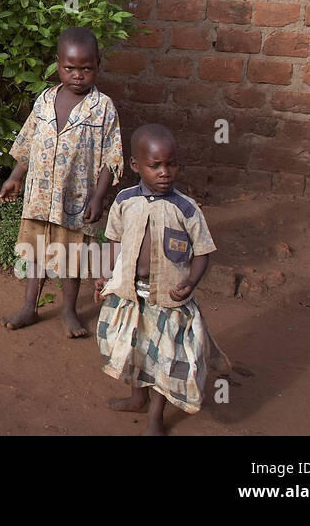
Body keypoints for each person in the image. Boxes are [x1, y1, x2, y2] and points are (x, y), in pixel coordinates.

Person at [94, 124, 226, 436]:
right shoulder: (125, 201)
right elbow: (112, 241)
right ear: (136, 166)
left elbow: (203, 252)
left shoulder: (186, 209)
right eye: (155, 166)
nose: (164, 172)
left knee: (164, 361)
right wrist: (103, 273)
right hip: (129, 296)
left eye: (171, 164)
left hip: (168, 301)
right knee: (133, 350)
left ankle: (156, 415)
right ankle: (136, 397)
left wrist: (190, 283)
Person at [0, 26, 123, 337]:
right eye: (70, 68)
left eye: (86, 68)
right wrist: (15, 177)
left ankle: (69, 310)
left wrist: (99, 197)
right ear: (58, 64)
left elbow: (112, 157)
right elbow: (28, 142)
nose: (78, 75)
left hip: (77, 200)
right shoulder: (44, 100)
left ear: (98, 65)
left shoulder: (103, 108)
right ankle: (30, 306)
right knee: (37, 252)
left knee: (71, 257)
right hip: (40, 199)